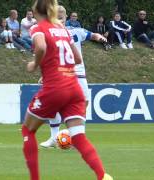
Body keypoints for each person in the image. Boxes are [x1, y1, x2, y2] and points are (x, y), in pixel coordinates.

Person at [23, 0, 112, 180]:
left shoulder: (37, 28)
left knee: (28, 130)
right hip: (73, 86)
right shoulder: (64, 30)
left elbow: (40, 47)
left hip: (55, 87)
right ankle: (103, 176)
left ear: (35, 11)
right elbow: (78, 59)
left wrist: (35, 64)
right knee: (79, 137)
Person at [40, 5, 107, 148]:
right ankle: (53, 137)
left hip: (79, 75)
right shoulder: (49, 35)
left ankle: (77, 137)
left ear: (66, 18)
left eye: (61, 17)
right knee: (53, 105)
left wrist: (99, 37)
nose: (59, 20)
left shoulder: (76, 31)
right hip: (60, 75)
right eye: (55, 17)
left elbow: (91, 35)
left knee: (84, 104)